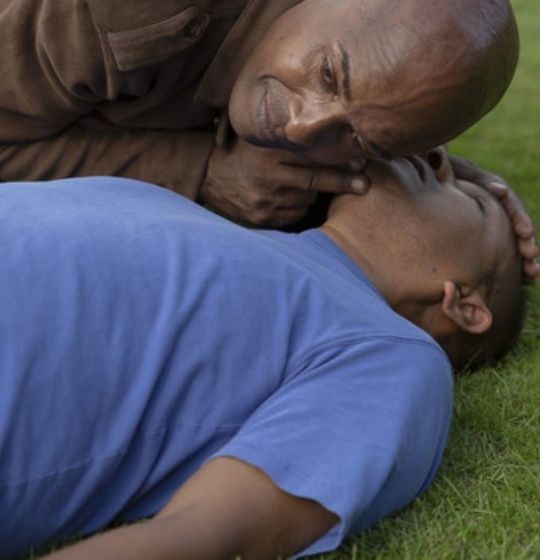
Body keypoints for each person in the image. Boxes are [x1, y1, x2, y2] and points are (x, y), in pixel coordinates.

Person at [0, 0, 537, 279]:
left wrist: (440, 182)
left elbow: (390, 91)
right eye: (328, 73)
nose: (302, 127)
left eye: (362, 139)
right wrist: (201, 173)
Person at [0, 148, 524, 560]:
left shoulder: (393, 352)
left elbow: (200, 537)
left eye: (473, 201)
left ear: (465, 304)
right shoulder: (220, 222)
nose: (441, 162)